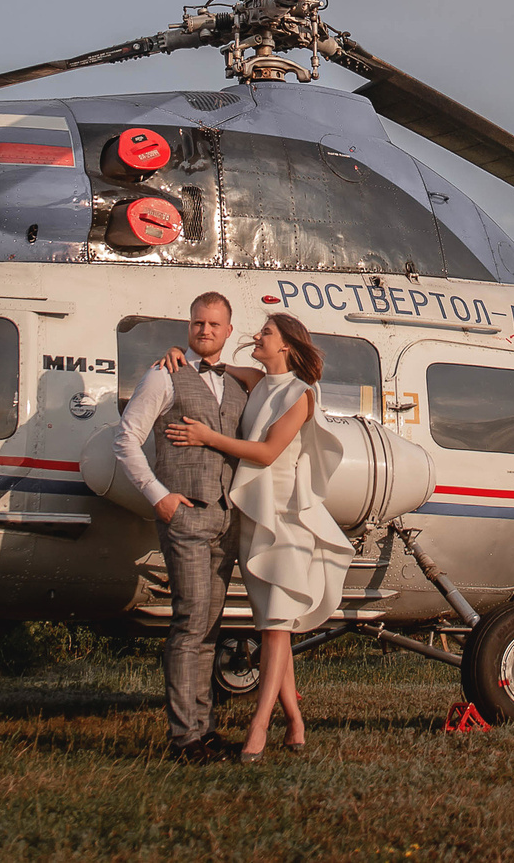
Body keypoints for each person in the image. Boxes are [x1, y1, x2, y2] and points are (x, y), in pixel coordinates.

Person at [165, 310, 351, 760]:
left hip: (286, 518)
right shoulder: (257, 380)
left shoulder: (301, 395)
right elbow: (213, 364)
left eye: (265, 333)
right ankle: (297, 723)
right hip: (254, 517)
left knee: (274, 626)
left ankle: (259, 727)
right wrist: (179, 355)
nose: (256, 336)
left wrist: (207, 437)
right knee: (275, 624)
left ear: (286, 344)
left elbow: (267, 453)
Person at [111, 291, 246, 760]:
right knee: (190, 624)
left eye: (213, 325)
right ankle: (185, 738)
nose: (204, 331)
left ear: (229, 331)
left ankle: (203, 730)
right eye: (197, 324)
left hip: (224, 521)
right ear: (188, 328)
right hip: (185, 516)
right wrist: (160, 498)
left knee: (209, 627)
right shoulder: (163, 374)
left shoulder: (236, 385)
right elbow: (126, 440)